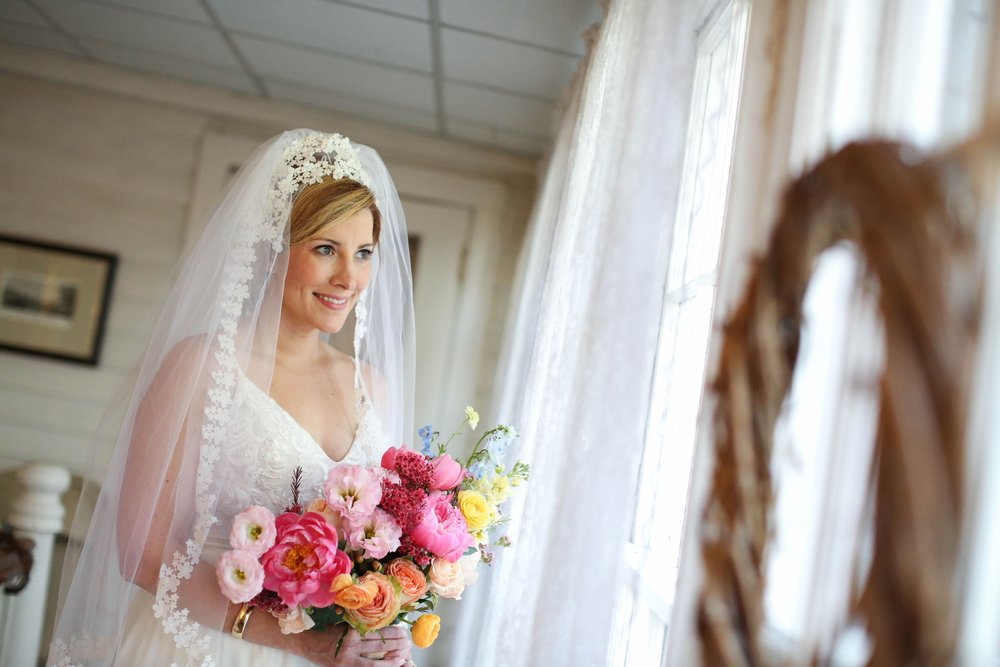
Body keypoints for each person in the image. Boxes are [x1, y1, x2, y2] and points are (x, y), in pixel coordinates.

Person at [48, 130, 417, 666]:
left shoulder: (371, 386)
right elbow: (139, 551)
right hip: (204, 647)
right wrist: (293, 640)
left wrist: (381, 619)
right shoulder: (201, 367)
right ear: (273, 248)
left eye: (363, 254)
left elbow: (380, 546)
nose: (349, 277)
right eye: (324, 249)